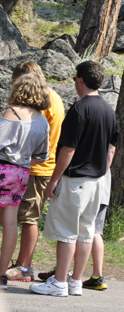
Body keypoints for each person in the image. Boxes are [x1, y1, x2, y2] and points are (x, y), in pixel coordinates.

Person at [30, 61, 118, 298]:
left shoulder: (80, 109)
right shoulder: (109, 111)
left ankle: (59, 282)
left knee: (66, 232)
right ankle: (75, 281)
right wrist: (100, 170)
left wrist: (53, 180)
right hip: (98, 181)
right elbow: (111, 148)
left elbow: (68, 149)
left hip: (75, 179)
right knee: (86, 232)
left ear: (80, 80)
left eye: (75, 79)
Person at [5, 61, 65, 283]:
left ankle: (24, 267)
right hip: (41, 166)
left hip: (34, 168)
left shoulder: (40, 101)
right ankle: (20, 264)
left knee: (28, 218)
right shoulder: (55, 97)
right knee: (25, 217)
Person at [0, 73, 50, 289]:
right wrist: (21, 160)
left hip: (3, 167)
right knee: (11, 223)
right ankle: (2, 274)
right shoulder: (42, 121)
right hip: (21, 172)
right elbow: (43, 155)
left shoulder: (11, 113)